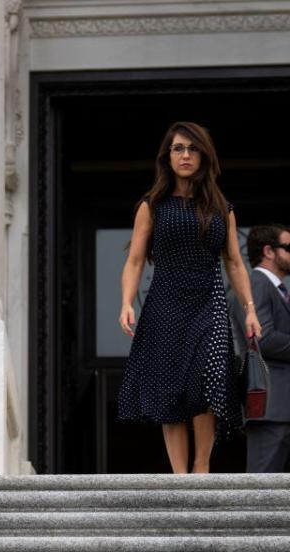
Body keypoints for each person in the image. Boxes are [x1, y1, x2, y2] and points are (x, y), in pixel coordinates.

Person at [117, 121, 261, 474]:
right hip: (165, 302)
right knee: (170, 386)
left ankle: (201, 467)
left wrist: (249, 309)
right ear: (167, 157)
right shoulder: (152, 206)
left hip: (208, 300)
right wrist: (125, 302)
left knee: (208, 376)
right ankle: (180, 477)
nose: (185, 155)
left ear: (204, 156)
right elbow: (135, 260)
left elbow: (234, 262)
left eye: (192, 148)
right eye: (178, 148)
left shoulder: (221, 207)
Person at [229, 225, 290, 472]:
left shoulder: (272, 288)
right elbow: (261, 339)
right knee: (263, 488)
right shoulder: (256, 283)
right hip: (271, 407)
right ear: (269, 251)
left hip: (279, 408)